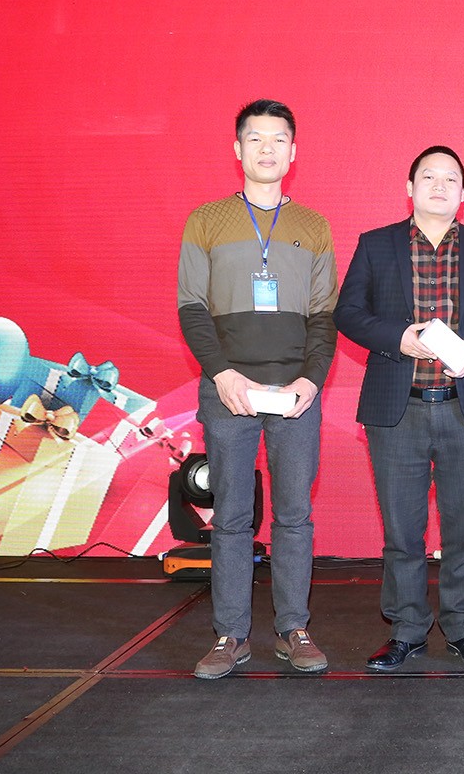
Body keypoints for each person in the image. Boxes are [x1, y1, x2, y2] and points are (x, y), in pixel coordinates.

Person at [177, 98, 338, 679]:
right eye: (256, 139)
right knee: (231, 516)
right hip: (228, 390)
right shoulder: (206, 220)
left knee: (294, 514)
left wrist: (310, 380)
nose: (267, 149)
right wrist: (222, 374)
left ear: (294, 152)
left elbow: (324, 316)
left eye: (279, 140)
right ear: (237, 148)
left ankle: (294, 629)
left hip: (294, 393)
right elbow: (192, 308)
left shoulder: (314, 226)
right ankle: (230, 635)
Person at [334, 146, 464, 671]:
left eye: (450, 178)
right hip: (397, 410)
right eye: (428, 176)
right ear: (409, 188)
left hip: (463, 408)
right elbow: (347, 313)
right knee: (402, 532)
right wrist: (398, 338)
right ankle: (407, 629)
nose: (439, 185)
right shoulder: (377, 244)